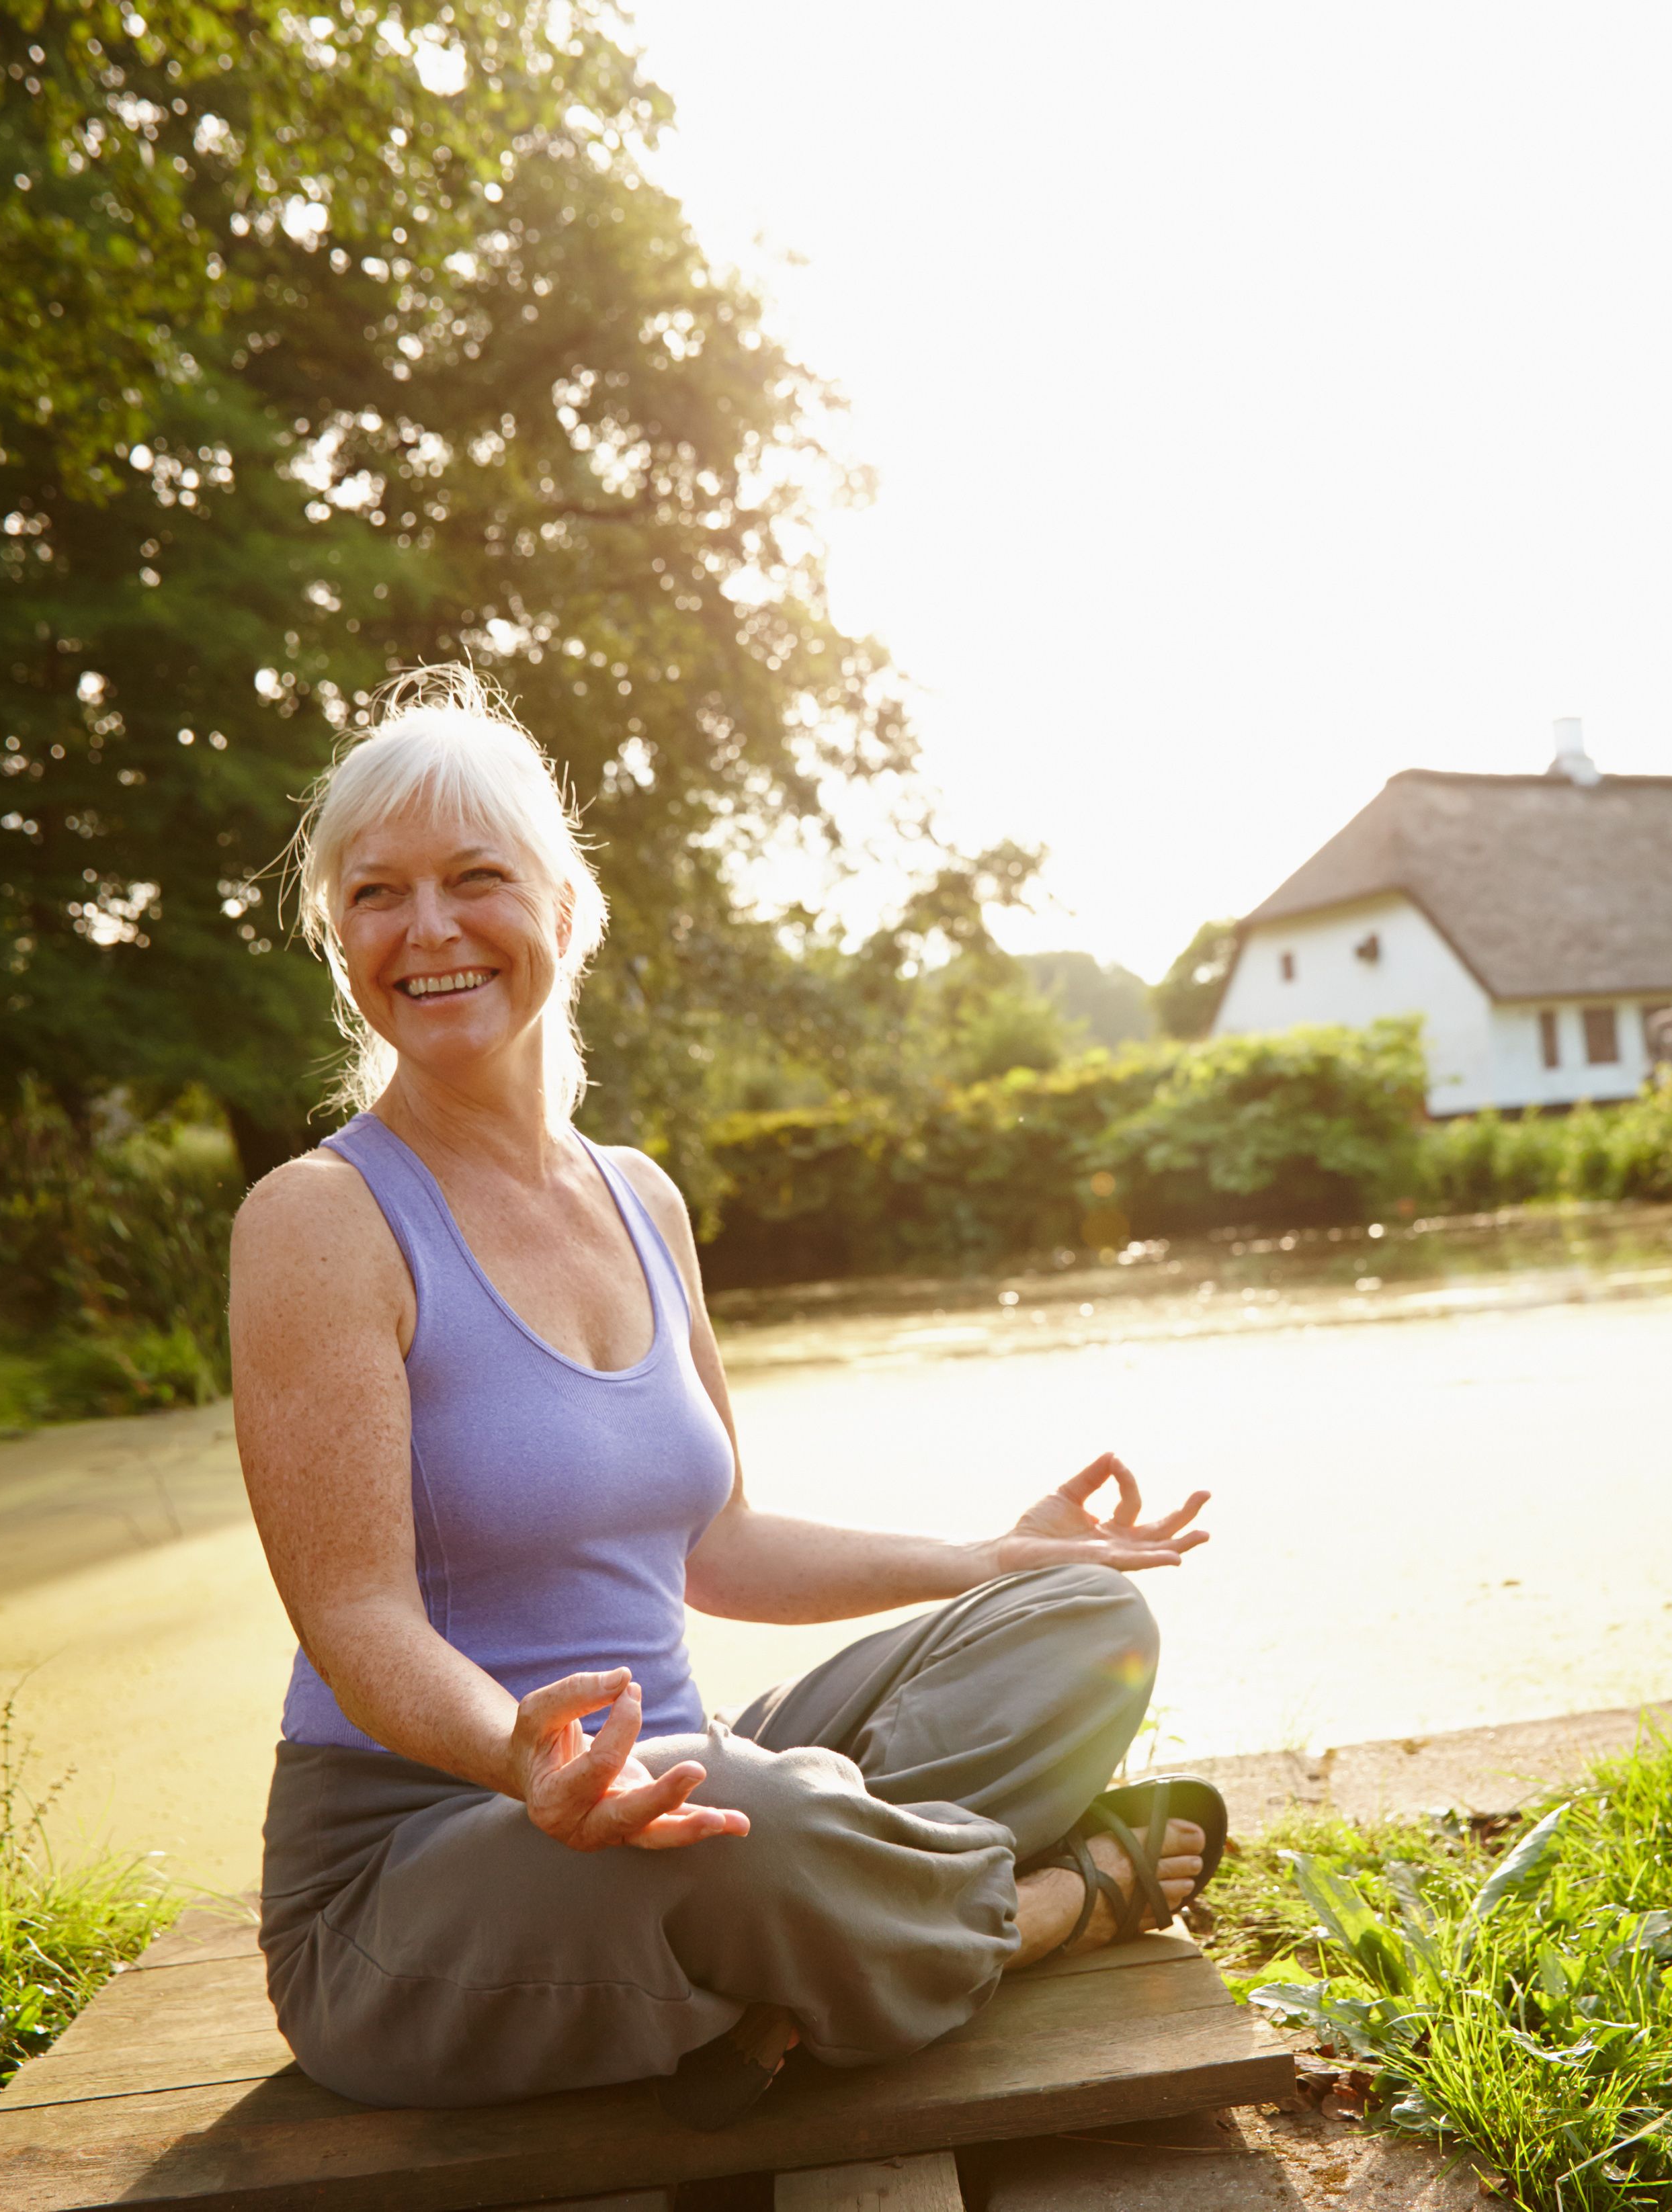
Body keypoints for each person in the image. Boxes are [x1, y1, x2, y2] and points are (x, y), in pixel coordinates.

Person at [228, 669, 1224, 2123]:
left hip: (689, 1787)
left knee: (1085, 1623)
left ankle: (806, 1935)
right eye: (377, 892)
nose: (428, 927)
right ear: (341, 941)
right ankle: (1049, 1903)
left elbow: (723, 1541)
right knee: (770, 1817)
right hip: (415, 1877)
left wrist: (995, 1558)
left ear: (563, 910)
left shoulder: (641, 1197)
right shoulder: (318, 1221)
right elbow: (358, 1616)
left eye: (474, 878)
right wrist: (526, 1751)